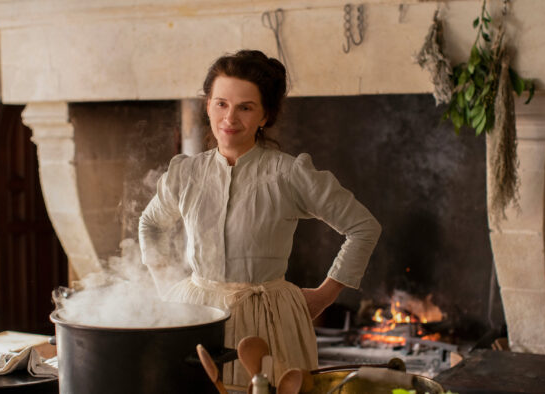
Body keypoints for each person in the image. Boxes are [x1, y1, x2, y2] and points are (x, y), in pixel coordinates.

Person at [138, 49, 381, 386]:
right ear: (208, 104)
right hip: (194, 318)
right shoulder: (185, 173)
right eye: (221, 103)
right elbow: (150, 225)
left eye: (245, 107)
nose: (230, 118)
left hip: (268, 322)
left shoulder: (290, 174)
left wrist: (325, 295)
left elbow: (363, 227)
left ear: (265, 116)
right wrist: (167, 287)